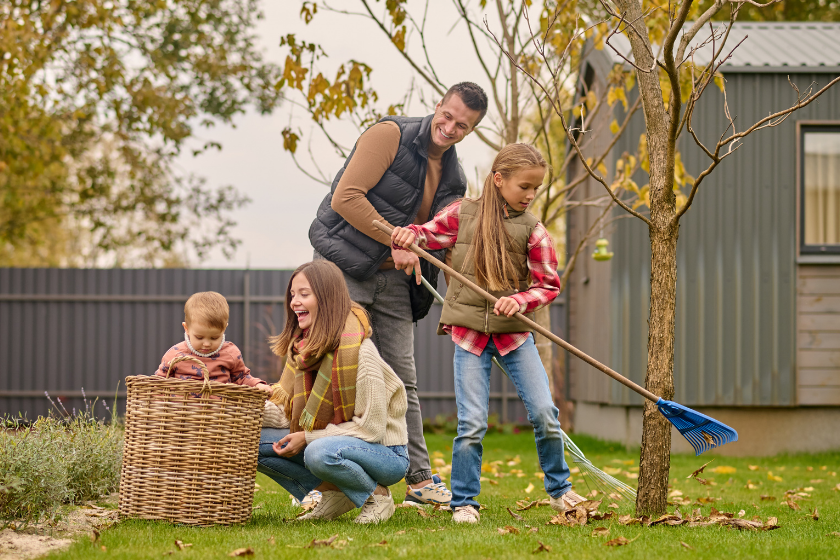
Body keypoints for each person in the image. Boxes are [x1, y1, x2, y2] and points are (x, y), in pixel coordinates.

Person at [309, 82, 489, 506]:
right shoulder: (389, 134)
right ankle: (321, 484)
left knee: (402, 377)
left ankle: (419, 478)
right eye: (447, 116)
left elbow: (441, 242)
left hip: (395, 278)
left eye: (462, 126)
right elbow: (345, 198)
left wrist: (463, 306)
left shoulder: (454, 178)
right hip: (343, 266)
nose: (450, 128)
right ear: (438, 105)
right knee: (334, 368)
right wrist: (396, 237)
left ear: (471, 129)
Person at [389, 143, 586, 523]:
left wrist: (522, 300)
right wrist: (407, 235)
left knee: (545, 412)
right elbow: (425, 235)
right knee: (473, 423)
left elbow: (548, 285)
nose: (530, 196)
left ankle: (560, 491)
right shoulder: (462, 214)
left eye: (536, 189)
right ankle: (464, 501)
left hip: (514, 335)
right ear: (498, 180)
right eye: (524, 186)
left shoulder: (534, 231)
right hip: (470, 336)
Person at [258, 260, 410, 524]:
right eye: (293, 294)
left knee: (318, 452)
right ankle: (338, 492)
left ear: (327, 299)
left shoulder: (362, 353)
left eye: (304, 294)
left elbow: (371, 430)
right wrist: (249, 403)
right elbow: (287, 415)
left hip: (385, 454)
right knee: (252, 440)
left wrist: (307, 437)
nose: (295, 302)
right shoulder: (303, 353)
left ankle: (377, 496)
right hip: (334, 442)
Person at [154, 291, 272, 393]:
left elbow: (242, 377)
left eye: (214, 338)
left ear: (224, 329)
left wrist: (258, 385)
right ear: (187, 329)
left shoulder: (230, 353)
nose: (206, 343)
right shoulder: (175, 354)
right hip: (183, 412)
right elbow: (160, 382)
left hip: (220, 413)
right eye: (199, 337)